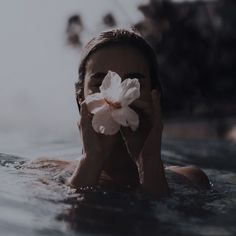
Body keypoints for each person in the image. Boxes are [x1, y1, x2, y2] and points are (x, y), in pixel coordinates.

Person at [67, 28, 210, 198]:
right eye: (100, 83)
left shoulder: (191, 179)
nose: (118, 94)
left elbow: (167, 221)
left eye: (132, 82)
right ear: (80, 95)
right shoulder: (45, 171)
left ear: (154, 94)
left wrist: (148, 163)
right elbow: (68, 223)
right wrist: (90, 162)